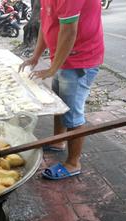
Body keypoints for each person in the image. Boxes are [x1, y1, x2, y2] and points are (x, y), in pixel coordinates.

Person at [19, 0, 104, 180]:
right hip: (62, 58)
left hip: (79, 59)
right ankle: (58, 142)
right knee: (59, 102)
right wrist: (36, 56)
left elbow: (69, 31)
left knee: (72, 113)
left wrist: (52, 68)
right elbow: (46, 24)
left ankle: (73, 163)